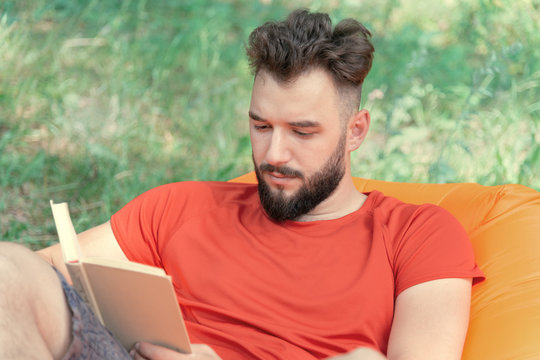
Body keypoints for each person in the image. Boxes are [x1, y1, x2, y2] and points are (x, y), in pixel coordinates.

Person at [0, 9, 484, 360]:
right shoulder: (181, 206)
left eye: (302, 131)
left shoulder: (418, 234)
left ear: (356, 130)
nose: (274, 154)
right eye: (261, 126)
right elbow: (42, 279)